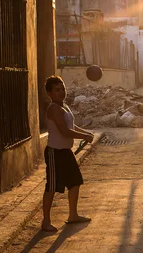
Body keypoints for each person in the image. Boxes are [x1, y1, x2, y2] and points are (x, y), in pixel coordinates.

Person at [42, 76, 94, 232]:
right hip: (54, 153)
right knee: (51, 187)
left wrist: (86, 132)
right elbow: (64, 131)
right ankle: (46, 221)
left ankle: (73, 215)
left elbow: (71, 125)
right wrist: (84, 136)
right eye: (57, 90)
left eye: (63, 89)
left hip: (65, 152)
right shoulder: (53, 108)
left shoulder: (63, 106)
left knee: (75, 182)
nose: (61, 92)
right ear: (49, 93)